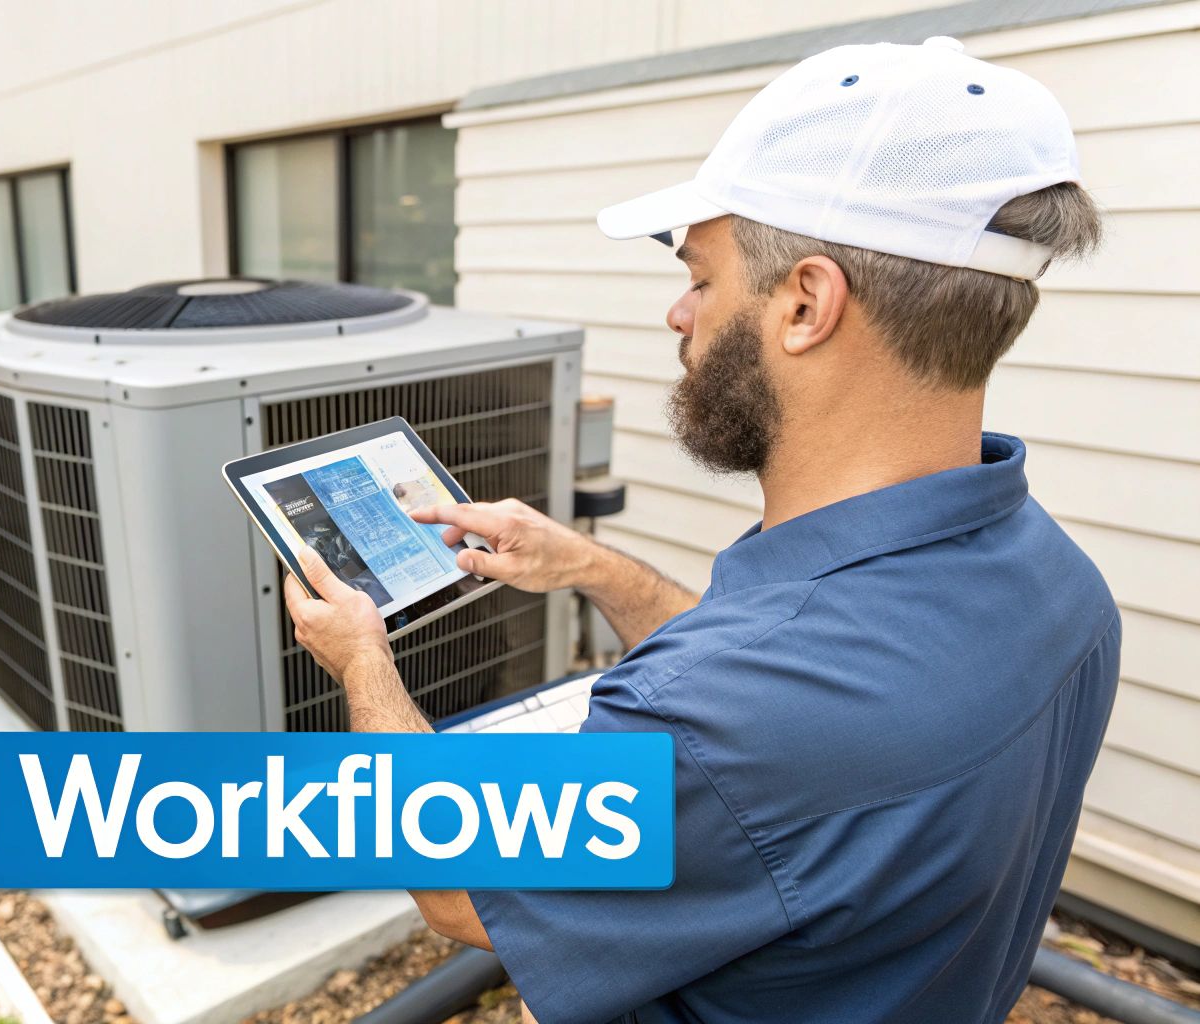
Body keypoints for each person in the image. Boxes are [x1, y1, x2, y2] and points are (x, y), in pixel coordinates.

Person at [285, 37, 1117, 1024]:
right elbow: (777, 710)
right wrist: (592, 566)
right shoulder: (1062, 586)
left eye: (701, 276)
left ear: (804, 303)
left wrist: (361, 662)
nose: (677, 312)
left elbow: (459, 886)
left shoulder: (722, 718)